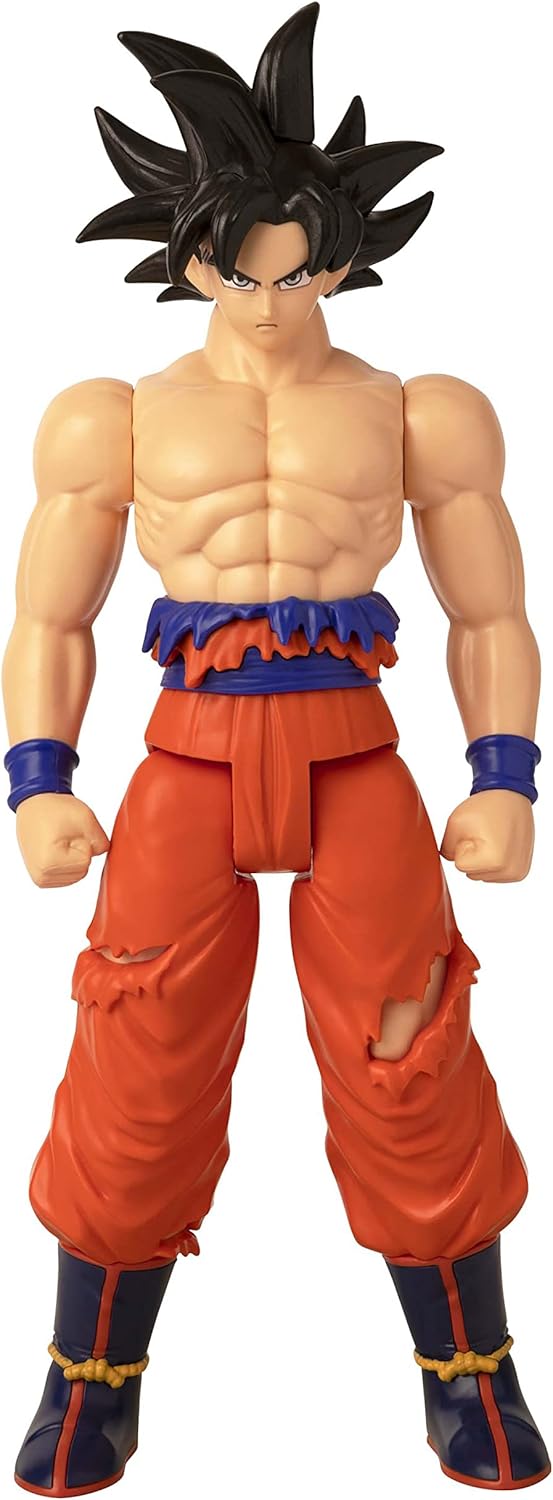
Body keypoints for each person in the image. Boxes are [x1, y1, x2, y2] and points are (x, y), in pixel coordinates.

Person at [3, 5, 549, 1493]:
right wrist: (39, 782)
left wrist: (503, 775)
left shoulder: (417, 411)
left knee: (411, 1051)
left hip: (353, 753)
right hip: (184, 758)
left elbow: (489, 609)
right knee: (136, 1058)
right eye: (238, 267)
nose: (266, 299)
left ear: (343, 258)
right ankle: (90, 1377)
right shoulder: (113, 418)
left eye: (296, 266)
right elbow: (50, 617)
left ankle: (469, 1369)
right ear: (186, 257)